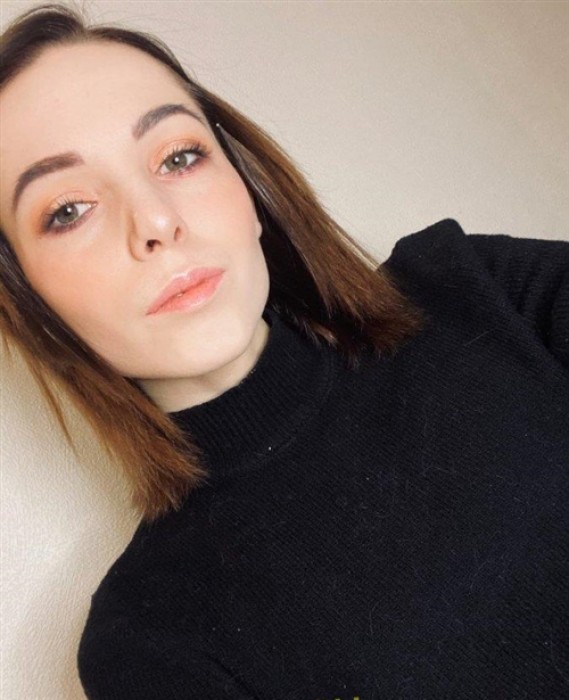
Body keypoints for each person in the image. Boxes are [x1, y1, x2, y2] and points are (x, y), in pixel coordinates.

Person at [1, 3, 567, 699]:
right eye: (67, 210)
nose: (155, 221)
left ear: (246, 184)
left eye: (178, 157)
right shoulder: (147, 640)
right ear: (28, 298)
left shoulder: (471, 288)